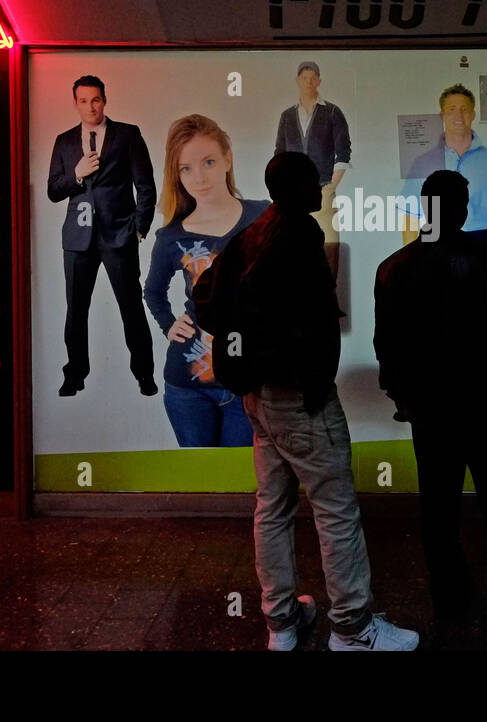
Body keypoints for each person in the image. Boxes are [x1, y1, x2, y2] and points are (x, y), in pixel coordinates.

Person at [192, 152, 418, 652]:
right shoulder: (299, 237)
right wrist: (299, 365)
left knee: (271, 508)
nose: (321, 186)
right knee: (335, 511)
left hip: (259, 397)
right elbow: (306, 319)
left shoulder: (254, 233)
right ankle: (354, 630)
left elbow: (205, 297)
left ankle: (282, 623)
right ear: (296, 188)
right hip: (299, 398)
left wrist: (251, 347)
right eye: (313, 180)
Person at [374, 170, 487, 633]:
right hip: (486, 407)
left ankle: (450, 600)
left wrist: (404, 397)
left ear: (426, 207)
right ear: (462, 208)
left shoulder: (394, 267)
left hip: (431, 411)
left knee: (438, 509)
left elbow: (389, 345)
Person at [143, 115, 268, 447]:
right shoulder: (171, 236)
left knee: (240, 489)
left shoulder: (264, 217)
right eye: (185, 168)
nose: (198, 177)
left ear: (228, 158)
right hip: (187, 386)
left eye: (208, 161)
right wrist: (168, 323)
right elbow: (152, 291)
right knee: (200, 489)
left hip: (249, 382)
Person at [46, 75, 158, 398]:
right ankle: (75, 374)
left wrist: (139, 227)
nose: (90, 106)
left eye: (95, 99)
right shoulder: (65, 141)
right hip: (77, 239)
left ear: (104, 100)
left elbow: (146, 185)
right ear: (75, 104)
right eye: (83, 101)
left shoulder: (127, 135)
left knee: (131, 307)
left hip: (119, 235)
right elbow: (53, 190)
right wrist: (76, 175)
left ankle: (144, 374)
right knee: (76, 311)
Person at [400, 84, 487, 245]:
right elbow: (410, 218)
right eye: (451, 109)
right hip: (434, 243)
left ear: (473, 114)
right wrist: (411, 261)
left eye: (464, 109)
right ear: (442, 115)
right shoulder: (423, 162)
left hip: (479, 243)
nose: (458, 115)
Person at [273, 61, 351, 281]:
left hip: (322, 191)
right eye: (304, 77)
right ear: (298, 81)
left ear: (319, 81)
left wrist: (330, 186)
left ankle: (328, 302)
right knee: (292, 249)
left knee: (328, 249)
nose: (309, 82)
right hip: (291, 196)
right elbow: (279, 153)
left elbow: (343, 154)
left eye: (313, 77)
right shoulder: (287, 116)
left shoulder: (332, 112)